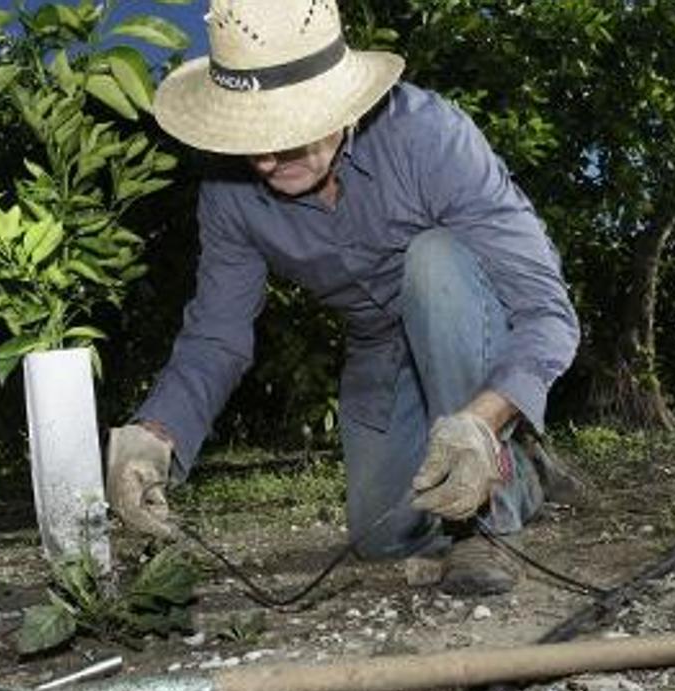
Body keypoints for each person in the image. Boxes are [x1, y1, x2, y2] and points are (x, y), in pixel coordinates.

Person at [106, 0, 580, 595]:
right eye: (249, 136)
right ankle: (529, 470)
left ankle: (487, 518)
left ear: (338, 102)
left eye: (285, 130)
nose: (265, 159)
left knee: (432, 261)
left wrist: (482, 421)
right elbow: (216, 335)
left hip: (468, 315)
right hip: (379, 345)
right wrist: (156, 436)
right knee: (380, 538)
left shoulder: (429, 136)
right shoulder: (229, 193)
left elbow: (545, 311)